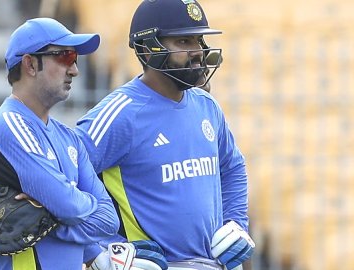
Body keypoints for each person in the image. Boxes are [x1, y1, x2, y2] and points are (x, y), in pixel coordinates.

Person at [75, 0, 255, 269]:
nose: (197, 52)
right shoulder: (120, 114)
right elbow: (64, 180)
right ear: (148, 51)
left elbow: (232, 168)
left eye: (199, 40)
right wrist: (99, 250)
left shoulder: (207, 107)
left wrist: (236, 223)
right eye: (183, 42)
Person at [0, 17, 120, 270]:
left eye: (75, 58)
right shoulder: (7, 125)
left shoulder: (69, 137)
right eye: (65, 56)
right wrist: (71, 208)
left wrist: (48, 220)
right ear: (30, 64)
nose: (75, 69)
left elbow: (109, 220)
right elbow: (68, 205)